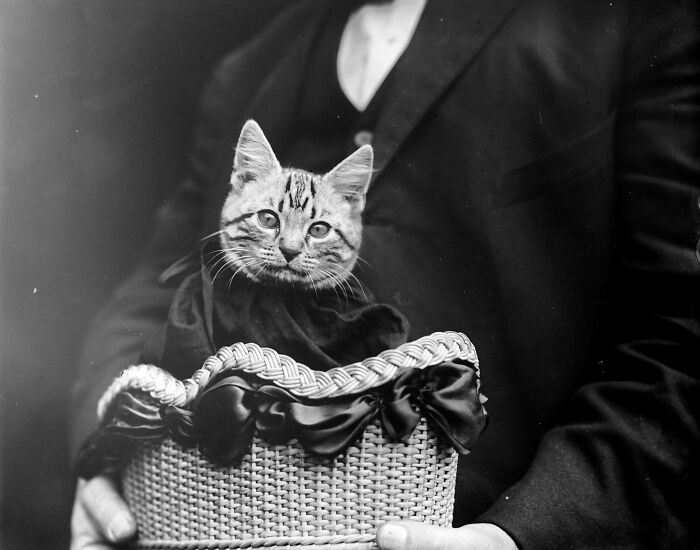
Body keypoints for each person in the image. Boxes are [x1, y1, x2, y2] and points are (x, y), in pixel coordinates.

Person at [69, 0, 700, 548]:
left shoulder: (627, 19)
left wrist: (528, 535)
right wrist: (102, 458)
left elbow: (681, 336)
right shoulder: (247, 71)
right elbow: (146, 297)